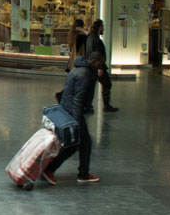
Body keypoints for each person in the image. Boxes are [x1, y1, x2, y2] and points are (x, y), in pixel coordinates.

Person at [44, 51, 103, 184]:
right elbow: (78, 99)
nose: (100, 66)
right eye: (100, 64)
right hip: (74, 112)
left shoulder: (77, 69)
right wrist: (77, 121)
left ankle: (52, 169)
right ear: (94, 62)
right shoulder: (85, 75)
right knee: (83, 143)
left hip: (67, 109)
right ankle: (81, 174)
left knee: (76, 143)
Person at [83, 19, 120, 113]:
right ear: (99, 28)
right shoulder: (96, 40)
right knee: (106, 84)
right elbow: (97, 54)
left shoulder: (90, 38)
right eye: (102, 27)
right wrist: (100, 67)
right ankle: (105, 105)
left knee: (91, 86)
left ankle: (88, 105)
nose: (103, 28)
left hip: (92, 66)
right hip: (97, 66)